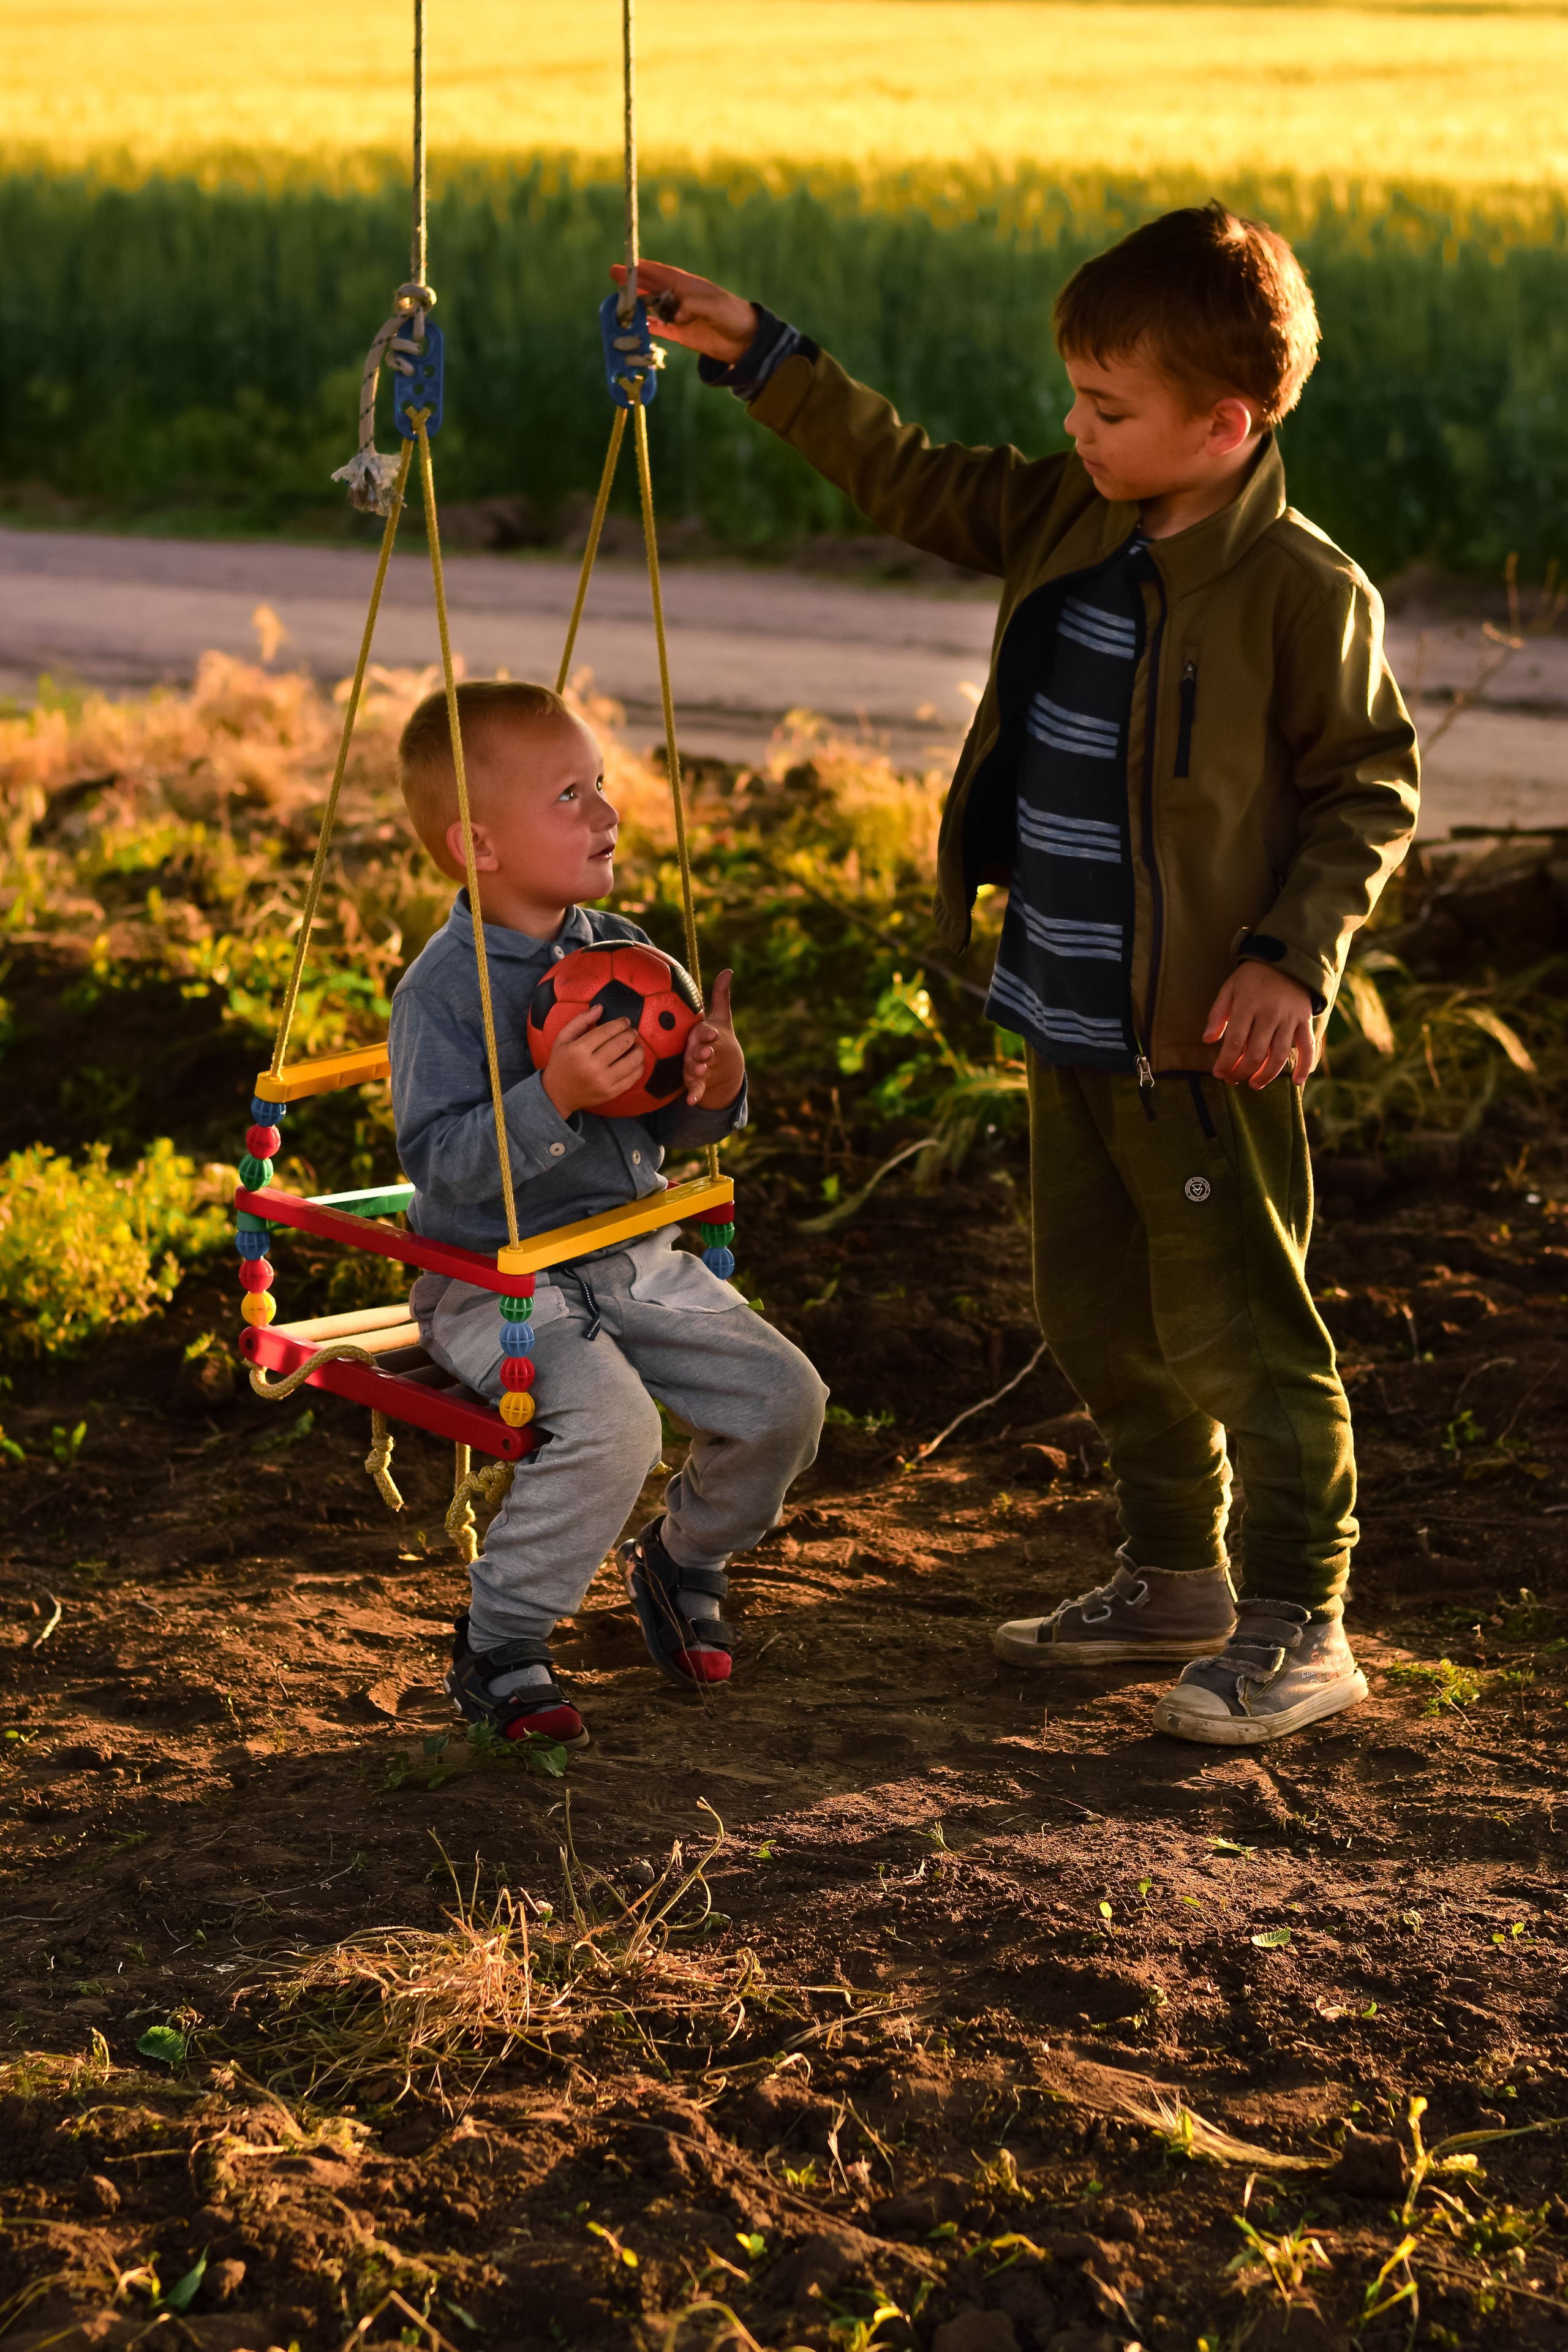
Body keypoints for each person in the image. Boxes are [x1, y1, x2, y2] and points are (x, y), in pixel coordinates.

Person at [615, 202, 1419, 1746]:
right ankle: (1173, 1577)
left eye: (1107, 411)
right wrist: (759, 355)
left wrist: (1287, 961)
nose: (1075, 428)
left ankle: (1298, 1624)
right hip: (1061, 1012)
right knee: (1094, 1313)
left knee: (1239, 1331)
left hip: (1201, 1043)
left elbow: (1368, 794)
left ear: (1222, 424)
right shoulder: (1067, 514)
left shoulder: (1306, 594)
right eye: (1073, 396)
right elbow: (910, 473)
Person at [389, 679, 827, 1750]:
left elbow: (674, 1135)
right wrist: (554, 1103)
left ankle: (681, 1561)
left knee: (787, 1400)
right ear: (479, 846)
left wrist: (712, 1084)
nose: (606, 815)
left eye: (602, 787)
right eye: (570, 795)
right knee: (616, 1427)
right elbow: (440, 1171)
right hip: (500, 1281)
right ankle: (500, 1641)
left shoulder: (627, 951)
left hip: (632, 1255)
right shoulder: (441, 995)